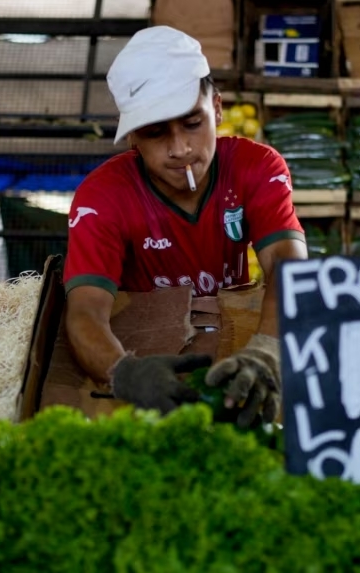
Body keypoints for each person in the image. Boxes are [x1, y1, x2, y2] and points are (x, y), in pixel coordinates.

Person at [62, 26, 309, 428]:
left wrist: (267, 351)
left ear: (217, 106)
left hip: (238, 342)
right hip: (147, 350)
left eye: (193, 122)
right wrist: (123, 372)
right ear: (132, 140)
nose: (180, 149)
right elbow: (86, 309)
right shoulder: (101, 197)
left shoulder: (256, 167)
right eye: (155, 133)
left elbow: (288, 263)